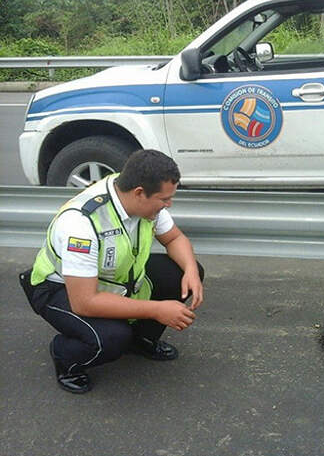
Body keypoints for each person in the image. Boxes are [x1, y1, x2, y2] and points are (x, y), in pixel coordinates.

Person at [19, 150, 204, 394]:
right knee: (112, 337)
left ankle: (141, 339)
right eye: (165, 199)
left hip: (112, 279)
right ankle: (66, 358)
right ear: (139, 193)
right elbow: (85, 302)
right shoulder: (81, 224)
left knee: (181, 273)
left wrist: (190, 269)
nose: (169, 204)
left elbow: (174, 238)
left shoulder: (137, 194)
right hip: (60, 289)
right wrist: (158, 310)